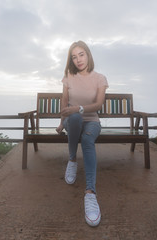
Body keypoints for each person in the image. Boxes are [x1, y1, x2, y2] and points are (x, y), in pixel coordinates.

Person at [55, 40, 108, 227]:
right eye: (74, 57)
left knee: (87, 139)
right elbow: (64, 101)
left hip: (92, 122)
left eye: (81, 54)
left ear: (88, 54)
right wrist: (62, 123)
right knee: (75, 118)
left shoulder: (100, 78)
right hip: (73, 121)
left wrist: (79, 108)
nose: (78, 60)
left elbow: (98, 105)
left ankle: (90, 193)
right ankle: (72, 159)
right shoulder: (68, 77)